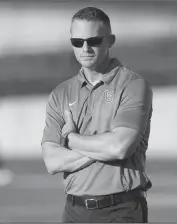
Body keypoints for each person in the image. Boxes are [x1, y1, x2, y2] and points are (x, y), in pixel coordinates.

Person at [41, 7, 153, 223]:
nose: (85, 48)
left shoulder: (133, 85)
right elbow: (52, 162)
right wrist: (102, 146)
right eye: (77, 42)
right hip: (74, 211)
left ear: (110, 40)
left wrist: (70, 139)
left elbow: (120, 147)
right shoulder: (61, 93)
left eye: (93, 40)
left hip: (122, 210)